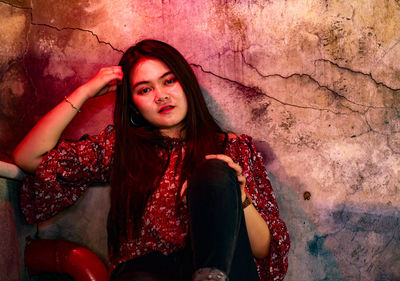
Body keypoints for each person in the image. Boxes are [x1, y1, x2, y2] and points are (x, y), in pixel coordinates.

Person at [13, 39, 290, 281]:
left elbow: (265, 251)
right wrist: (84, 92)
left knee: (214, 170)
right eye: (145, 89)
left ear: (186, 84)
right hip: (145, 273)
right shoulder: (121, 149)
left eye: (169, 81)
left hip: (220, 267)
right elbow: (28, 157)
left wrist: (236, 194)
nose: (161, 96)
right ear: (132, 103)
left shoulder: (233, 149)